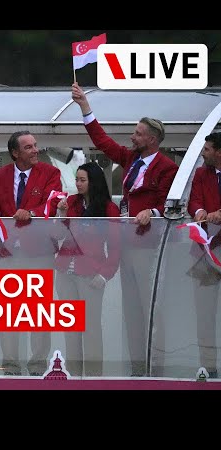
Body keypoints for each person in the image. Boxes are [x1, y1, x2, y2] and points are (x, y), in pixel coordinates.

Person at [71, 82, 179, 376]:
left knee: (150, 310)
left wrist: (152, 211)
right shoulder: (132, 158)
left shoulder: (167, 167)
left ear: (153, 139)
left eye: (138, 134)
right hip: (128, 244)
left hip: (149, 246)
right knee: (131, 311)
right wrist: (85, 107)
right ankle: (136, 368)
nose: (132, 137)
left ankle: (156, 368)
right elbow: (103, 142)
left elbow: (169, 204)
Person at [0, 130, 62, 376]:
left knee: (38, 312)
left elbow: (52, 203)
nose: (35, 150)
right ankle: (10, 365)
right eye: (28, 147)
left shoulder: (50, 172)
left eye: (36, 145)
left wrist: (31, 212)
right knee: (9, 312)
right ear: (15, 152)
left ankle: (37, 366)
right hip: (8, 254)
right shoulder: (0, 175)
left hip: (39, 253)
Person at [54, 161, 121, 376]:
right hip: (65, 273)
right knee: (70, 330)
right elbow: (56, 235)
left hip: (91, 274)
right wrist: (60, 213)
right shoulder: (71, 202)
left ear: (94, 182)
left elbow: (116, 245)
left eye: (82, 180)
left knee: (90, 328)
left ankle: (93, 378)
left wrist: (105, 274)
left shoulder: (108, 208)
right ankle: (72, 376)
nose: (78, 184)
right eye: (77, 179)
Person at [185, 131, 221, 379]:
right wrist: (199, 211)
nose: (203, 153)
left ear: (219, 152)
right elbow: (193, 200)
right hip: (205, 253)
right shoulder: (200, 174)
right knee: (204, 313)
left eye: (207, 149)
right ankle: (209, 366)